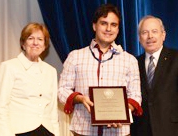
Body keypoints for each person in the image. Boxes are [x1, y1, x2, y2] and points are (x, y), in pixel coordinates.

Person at [58, 4, 142, 136]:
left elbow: (136, 95)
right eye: (104, 23)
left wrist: (122, 113)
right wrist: (79, 98)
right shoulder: (75, 56)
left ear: (118, 29)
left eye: (114, 25)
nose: (109, 29)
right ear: (94, 26)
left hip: (118, 131)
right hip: (83, 129)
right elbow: (62, 90)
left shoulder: (130, 60)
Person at [130, 15, 178, 136]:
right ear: (139, 38)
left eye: (154, 31)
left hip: (172, 131)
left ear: (163, 35)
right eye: (144, 32)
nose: (150, 36)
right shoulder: (133, 63)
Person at [0, 23, 60, 136]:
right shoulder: (9, 67)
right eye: (31, 38)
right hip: (20, 132)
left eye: (40, 39)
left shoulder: (51, 71)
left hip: (47, 131)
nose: (35, 43)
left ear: (45, 45)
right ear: (23, 44)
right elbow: (0, 109)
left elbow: (53, 109)